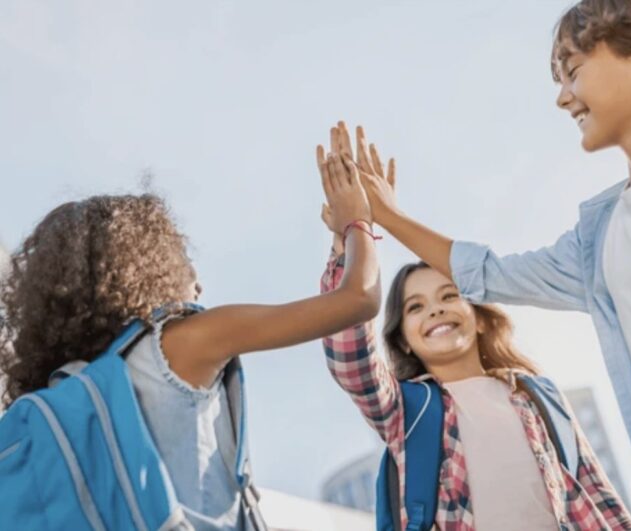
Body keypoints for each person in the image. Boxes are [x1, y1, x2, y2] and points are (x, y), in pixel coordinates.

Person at [330, 1, 631, 529]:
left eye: (574, 71)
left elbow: (589, 497)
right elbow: (488, 271)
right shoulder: (597, 241)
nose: (563, 97)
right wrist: (382, 220)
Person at [0, 151, 378, 530]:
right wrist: (357, 221)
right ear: (149, 266)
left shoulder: (76, 398)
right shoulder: (181, 343)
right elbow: (359, 299)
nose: (198, 282)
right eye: (182, 259)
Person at [317, 139, 631, 530]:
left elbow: (596, 496)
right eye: (415, 307)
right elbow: (352, 360)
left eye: (449, 295)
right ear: (402, 339)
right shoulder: (408, 409)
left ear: (481, 316)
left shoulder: (539, 398)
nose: (435, 309)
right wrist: (352, 236)